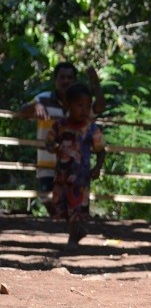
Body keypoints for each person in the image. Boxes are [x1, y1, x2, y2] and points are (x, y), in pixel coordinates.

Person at [16, 62, 106, 211]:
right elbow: (21, 112)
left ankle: (70, 230)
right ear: (55, 80)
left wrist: (95, 83)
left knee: (74, 205)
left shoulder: (80, 106)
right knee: (50, 200)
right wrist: (35, 106)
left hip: (74, 167)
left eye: (70, 78)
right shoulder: (43, 99)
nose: (66, 81)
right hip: (47, 164)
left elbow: (100, 107)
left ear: (75, 81)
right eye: (62, 77)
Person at [44, 83, 106, 249]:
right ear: (68, 104)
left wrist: (97, 168)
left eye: (87, 106)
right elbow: (49, 142)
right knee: (59, 206)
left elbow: (101, 150)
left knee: (77, 208)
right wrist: (55, 147)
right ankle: (78, 232)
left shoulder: (91, 128)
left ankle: (72, 239)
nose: (84, 110)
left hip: (81, 177)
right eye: (79, 105)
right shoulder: (60, 125)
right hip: (61, 175)